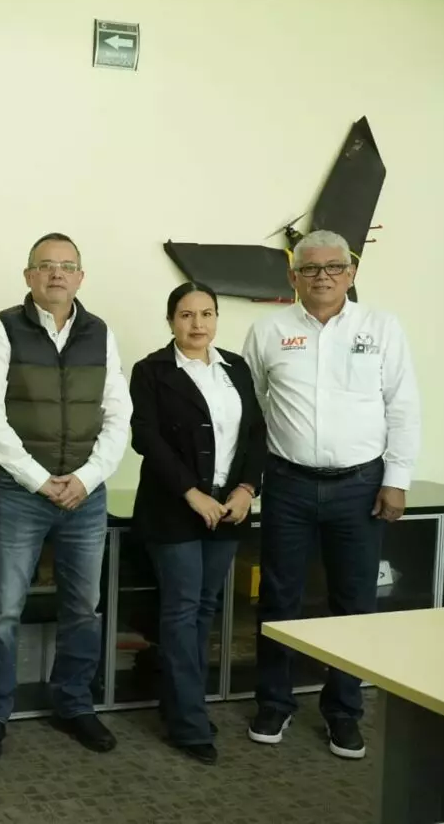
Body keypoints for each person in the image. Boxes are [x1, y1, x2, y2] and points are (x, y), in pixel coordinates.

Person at [242, 229, 420, 760]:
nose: (322, 276)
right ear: (293, 276)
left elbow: (403, 406)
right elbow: (252, 407)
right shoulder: (268, 330)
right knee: (279, 598)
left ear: (352, 272)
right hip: (288, 484)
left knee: (354, 602)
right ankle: (274, 702)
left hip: (360, 487)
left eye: (333, 267)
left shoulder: (382, 327)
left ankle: (343, 711)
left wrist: (397, 479)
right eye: (310, 268)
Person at [0, 232, 132, 759]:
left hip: (86, 493)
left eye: (66, 265)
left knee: (83, 608)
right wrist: (39, 479)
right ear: (28, 276)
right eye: (45, 265)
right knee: (2, 610)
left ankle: (74, 703)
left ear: (80, 277)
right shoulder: (4, 328)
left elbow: (118, 414)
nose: (56, 273)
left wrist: (87, 477)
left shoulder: (100, 333)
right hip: (20, 493)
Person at [128, 281, 266, 765]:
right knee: (183, 610)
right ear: (171, 321)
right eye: (186, 315)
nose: (198, 324)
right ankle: (189, 723)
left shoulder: (236, 368)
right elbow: (146, 439)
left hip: (228, 509)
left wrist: (246, 489)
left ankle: (180, 703)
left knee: (205, 607)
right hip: (173, 509)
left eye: (206, 314)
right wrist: (193, 494)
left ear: (216, 319)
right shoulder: (151, 371)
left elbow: (256, 433)